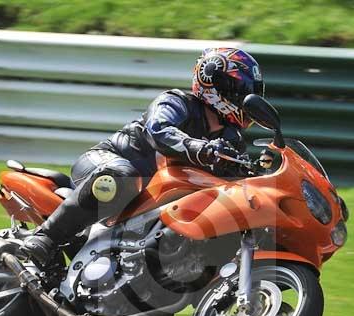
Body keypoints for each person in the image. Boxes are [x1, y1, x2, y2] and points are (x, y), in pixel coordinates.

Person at [19, 48, 265, 267]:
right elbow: (159, 130)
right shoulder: (177, 102)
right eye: (241, 90)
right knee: (123, 177)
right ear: (214, 81)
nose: (244, 99)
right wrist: (198, 147)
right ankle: (45, 237)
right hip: (109, 160)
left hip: (151, 198)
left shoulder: (231, 139)